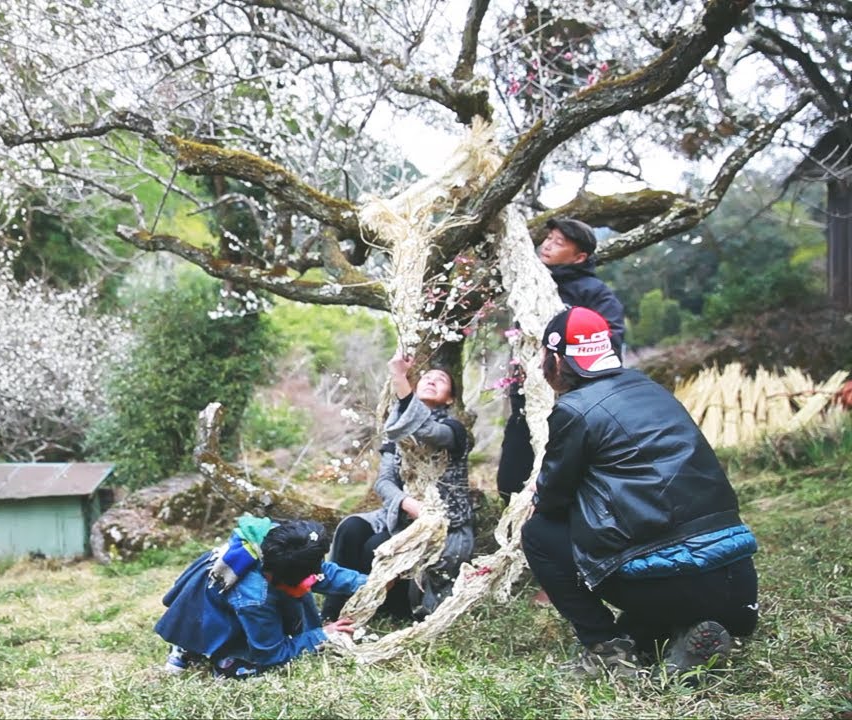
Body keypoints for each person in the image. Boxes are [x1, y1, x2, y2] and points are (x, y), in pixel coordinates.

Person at [522, 306, 759, 680]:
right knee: (645, 612)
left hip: (669, 581)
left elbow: (553, 498)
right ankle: (682, 635)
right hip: (739, 588)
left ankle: (606, 650)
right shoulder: (651, 388)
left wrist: (539, 493)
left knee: (538, 533)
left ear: (555, 358)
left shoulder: (575, 409)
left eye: (542, 358)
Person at [320, 351, 473, 622]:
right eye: (426, 377)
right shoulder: (397, 432)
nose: (431, 380)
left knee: (376, 547)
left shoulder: (455, 430)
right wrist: (405, 502)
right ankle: (332, 614)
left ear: (450, 398)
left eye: (441, 379)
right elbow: (385, 481)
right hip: (399, 513)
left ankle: (375, 609)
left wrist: (400, 379)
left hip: (440, 524)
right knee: (350, 529)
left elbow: (429, 433)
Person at [496, 217, 626, 507]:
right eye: (549, 238)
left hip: (571, 402)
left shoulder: (594, 293)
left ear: (580, 256)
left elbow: (610, 341)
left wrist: (568, 369)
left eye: (559, 242)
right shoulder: (529, 283)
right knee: (511, 479)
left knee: (561, 477)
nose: (548, 245)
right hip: (526, 396)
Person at [154, 515, 367, 679]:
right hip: (210, 612)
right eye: (306, 579)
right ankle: (190, 646)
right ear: (279, 578)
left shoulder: (277, 543)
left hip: (231, 601)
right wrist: (322, 635)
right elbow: (270, 653)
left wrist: (370, 582)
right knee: (240, 668)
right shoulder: (255, 597)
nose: (313, 579)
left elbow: (321, 572)